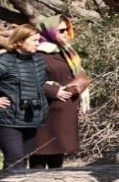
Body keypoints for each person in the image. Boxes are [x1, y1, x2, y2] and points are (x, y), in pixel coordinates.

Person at [0, 24, 50, 169]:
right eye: (34, 40)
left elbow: (41, 85)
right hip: (7, 121)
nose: (37, 43)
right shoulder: (1, 61)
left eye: (38, 40)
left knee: (21, 162)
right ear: (20, 41)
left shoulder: (38, 60)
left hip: (32, 119)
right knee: (14, 161)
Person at [31, 15, 88, 169]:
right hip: (45, 110)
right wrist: (53, 90)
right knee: (40, 152)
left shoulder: (67, 52)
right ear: (49, 31)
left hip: (66, 109)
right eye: (61, 30)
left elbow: (76, 74)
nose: (65, 33)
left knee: (58, 153)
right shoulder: (36, 52)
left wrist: (80, 95)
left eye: (67, 29)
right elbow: (27, 80)